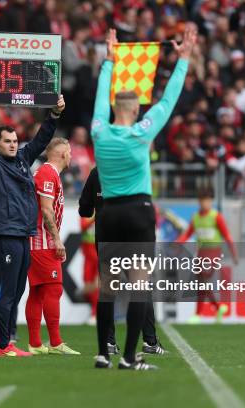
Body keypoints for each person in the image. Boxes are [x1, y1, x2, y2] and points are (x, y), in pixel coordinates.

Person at [91, 26, 196, 370]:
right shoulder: (142, 132)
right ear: (135, 109)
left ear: (112, 108)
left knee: (107, 285)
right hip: (138, 211)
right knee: (139, 285)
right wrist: (183, 60)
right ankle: (130, 356)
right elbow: (168, 100)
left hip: (107, 213)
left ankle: (103, 353)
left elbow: (98, 97)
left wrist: (110, 60)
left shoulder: (98, 131)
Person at [0, 90, 65, 358]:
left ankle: (9, 340)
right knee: (5, 292)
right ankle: (2, 346)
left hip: (23, 234)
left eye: (15, 140)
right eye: (7, 141)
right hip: (3, 235)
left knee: (16, 291)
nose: (13, 144)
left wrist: (54, 115)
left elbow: (41, 139)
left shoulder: (23, 160)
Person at [79, 167, 167, 357]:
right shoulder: (134, 170)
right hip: (132, 238)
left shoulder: (97, 173)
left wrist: (99, 206)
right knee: (141, 288)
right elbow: (145, 206)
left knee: (108, 290)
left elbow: (84, 209)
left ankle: (109, 343)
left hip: (106, 238)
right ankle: (150, 341)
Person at [26, 137, 80, 356]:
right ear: (62, 154)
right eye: (69, 152)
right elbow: (46, 210)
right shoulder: (48, 174)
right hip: (42, 241)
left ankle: (35, 343)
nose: (71, 157)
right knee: (54, 288)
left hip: (36, 240)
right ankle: (55, 342)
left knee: (38, 291)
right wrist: (57, 239)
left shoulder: (47, 173)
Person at [176, 188, 238, 323]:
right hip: (202, 252)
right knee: (201, 284)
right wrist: (178, 242)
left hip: (214, 252)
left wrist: (234, 253)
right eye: (204, 201)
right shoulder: (196, 217)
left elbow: (227, 235)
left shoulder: (216, 217)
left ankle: (204, 312)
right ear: (200, 202)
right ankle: (212, 309)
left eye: (209, 201)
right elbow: (188, 233)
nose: (206, 204)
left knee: (202, 278)